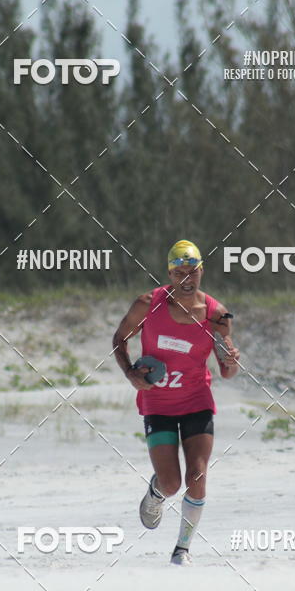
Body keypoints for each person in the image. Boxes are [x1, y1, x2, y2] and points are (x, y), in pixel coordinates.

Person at [112, 240, 240, 565]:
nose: (187, 279)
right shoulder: (147, 304)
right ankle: (155, 494)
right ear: (169, 273)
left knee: (197, 476)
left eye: (192, 271)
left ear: (201, 271)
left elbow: (227, 371)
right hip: (157, 404)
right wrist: (129, 372)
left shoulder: (217, 315)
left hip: (197, 400)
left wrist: (233, 360)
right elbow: (119, 338)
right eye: (179, 272)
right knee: (172, 483)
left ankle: (182, 550)